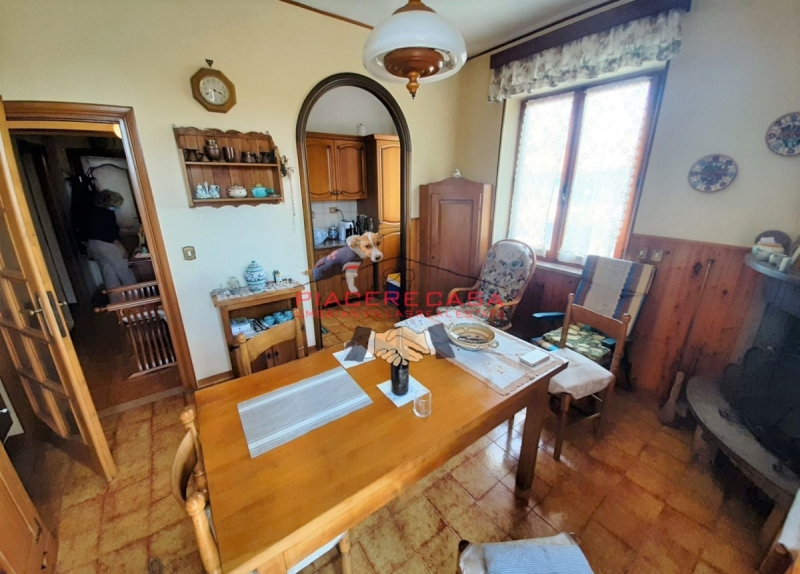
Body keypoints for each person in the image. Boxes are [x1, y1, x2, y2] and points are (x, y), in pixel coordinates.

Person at [86, 190, 136, 291]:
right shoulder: (108, 213)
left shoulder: (92, 212)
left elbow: (99, 229)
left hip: (93, 244)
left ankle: (116, 299)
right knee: (124, 271)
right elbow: (111, 234)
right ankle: (137, 295)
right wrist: (122, 249)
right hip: (107, 246)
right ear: (111, 202)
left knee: (108, 274)